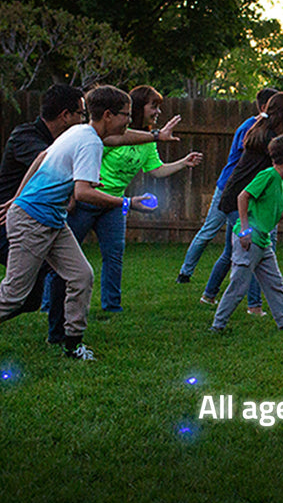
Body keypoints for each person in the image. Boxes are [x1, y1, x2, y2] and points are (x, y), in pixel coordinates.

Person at [0, 85, 179, 360]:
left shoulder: (80, 131)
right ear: (108, 115)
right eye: (125, 115)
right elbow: (83, 192)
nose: (129, 120)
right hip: (32, 221)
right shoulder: (90, 142)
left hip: (53, 220)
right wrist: (128, 203)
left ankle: (73, 345)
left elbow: (41, 158)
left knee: (81, 276)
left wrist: (18, 196)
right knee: (14, 295)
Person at [45, 85, 202, 342]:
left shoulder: (145, 141)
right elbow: (87, 159)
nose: (158, 111)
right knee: (63, 258)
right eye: (153, 106)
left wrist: (183, 162)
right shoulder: (99, 137)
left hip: (115, 204)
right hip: (86, 200)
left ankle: (111, 306)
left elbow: (156, 170)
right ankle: (49, 305)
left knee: (114, 254)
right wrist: (72, 195)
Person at [176, 87, 278, 318]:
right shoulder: (252, 129)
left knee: (232, 249)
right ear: (265, 107)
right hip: (231, 191)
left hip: (243, 193)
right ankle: (187, 274)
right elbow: (263, 154)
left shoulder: (263, 129)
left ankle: (209, 294)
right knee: (238, 241)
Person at [210, 135, 283, 332]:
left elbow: (277, 215)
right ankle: (217, 326)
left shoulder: (280, 181)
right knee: (238, 287)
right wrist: (244, 230)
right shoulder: (268, 175)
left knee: (275, 283)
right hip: (249, 241)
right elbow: (242, 196)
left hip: (263, 242)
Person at [0, 85, 86, 315]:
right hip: (9, 220)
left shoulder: (62, 141)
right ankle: (60, 331)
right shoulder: (25, 136)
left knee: (31, 298)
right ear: (65, 115)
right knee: (16, 295)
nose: (83, 121)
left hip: (40, 219)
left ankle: (61, 332)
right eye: (81, 114)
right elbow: (47, 161)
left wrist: (155, 136)